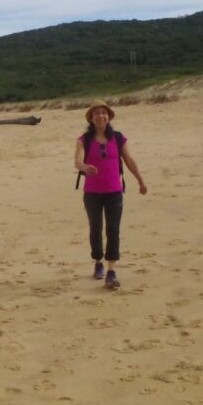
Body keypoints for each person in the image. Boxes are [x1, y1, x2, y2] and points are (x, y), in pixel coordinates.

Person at [74, 100, 147, 289]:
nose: (101, 116)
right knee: (95, 228)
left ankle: (111, 271)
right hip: (92, 193)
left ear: (109, 116)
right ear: (91, 118)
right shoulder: (84, 140)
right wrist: (85, 168)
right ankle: (98, 261)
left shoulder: (118, 138)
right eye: (97, 113)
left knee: (113, 230)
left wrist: (140, 180)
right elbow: (78, 162)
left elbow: (129, 160)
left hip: (114, 191)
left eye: (104, 113)